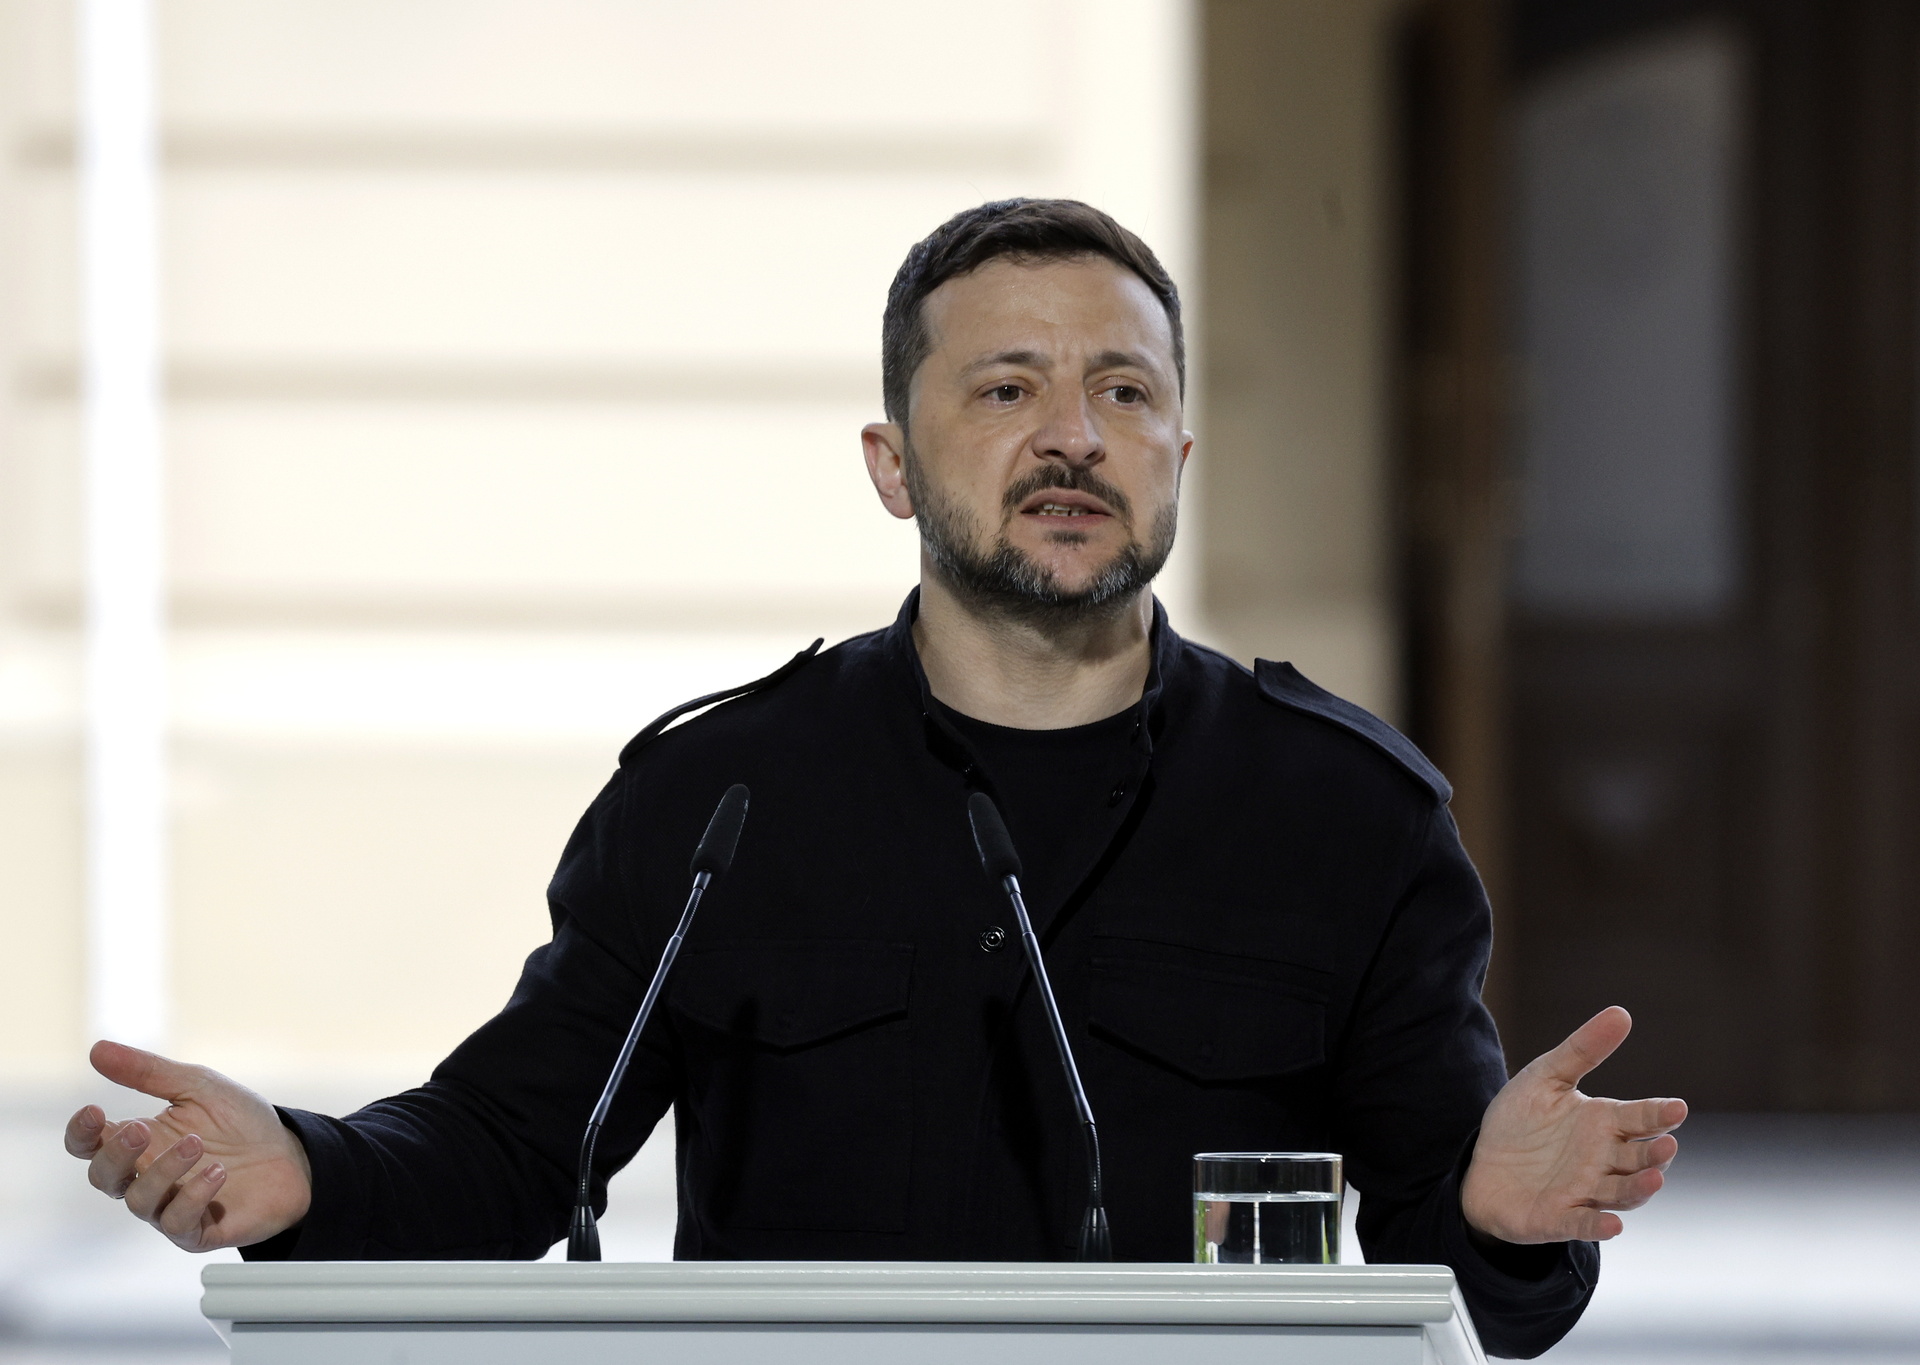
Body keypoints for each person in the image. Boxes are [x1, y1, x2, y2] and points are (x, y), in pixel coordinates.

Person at [65, 199, 1684, 1359]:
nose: (1074, 435)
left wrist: (1499, 1217)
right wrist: (305, 1171)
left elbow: (1455, 1269)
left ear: (1181, 456)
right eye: (1007, 388)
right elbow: (508, 1146)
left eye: (1125, 391)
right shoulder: (719, 799)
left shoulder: (1348, 815)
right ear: (892, 465)